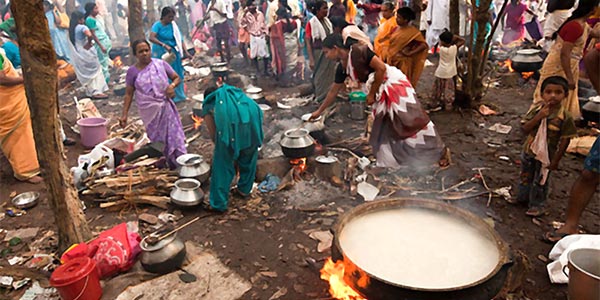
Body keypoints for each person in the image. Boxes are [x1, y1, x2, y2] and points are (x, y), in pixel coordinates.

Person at [310, 34, 448, 168]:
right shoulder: (342, 68)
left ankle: (438, 151)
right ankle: (390, 162)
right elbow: (333, 91)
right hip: (378, 93)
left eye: (327, 52)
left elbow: (381, 68)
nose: (327, 56)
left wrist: (371, 94)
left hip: (393, 85)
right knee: (385, 127)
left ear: (335, 48)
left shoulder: (359, 51)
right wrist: (319, 112)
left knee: (411, 121)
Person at [515, 76, 577, 217]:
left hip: (547, 154)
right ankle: (522, 198)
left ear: (565, 95)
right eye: (548, 92)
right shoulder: (537, 110)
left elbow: (565, 140)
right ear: (542, 94)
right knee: (525, 175)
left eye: (558, 92)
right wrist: (539, 117)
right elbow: (524, 128)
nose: (553, 95)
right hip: (529, 150)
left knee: (541, 180)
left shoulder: (564, 117)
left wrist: (556, 160)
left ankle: (537, 205)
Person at [120, 40, 187, 169]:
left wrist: (172, 86)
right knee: (158, 141)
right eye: (141, 52)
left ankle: (180, 162)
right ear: (135, 55)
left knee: (174, 137)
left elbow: (176, 77)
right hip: (150, 113)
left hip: (166, 108)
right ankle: (164, 163)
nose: (145, 54)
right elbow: (129, 94)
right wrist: (124, 115)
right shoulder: (132, 72)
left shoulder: (160, 64)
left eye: (147, 50)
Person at [532, 0, 600, 120]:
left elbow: (594, 33)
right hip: (559, 65)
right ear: (593, 9)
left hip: (568, 65)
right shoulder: (575, 26)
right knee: (552, 95)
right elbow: (564, 54)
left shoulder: (583, 25)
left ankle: (558, 124)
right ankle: (539, 123)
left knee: (562, 97)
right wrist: (569, 77)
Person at [200, 84, 264, 212]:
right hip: (252, 128)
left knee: (222, 166)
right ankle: (244, 189)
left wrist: (223, 148)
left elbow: (213, 133)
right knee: (249, 158)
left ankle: (218, 204)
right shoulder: (234, 95)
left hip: (232, 130)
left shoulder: (209, 104)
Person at [0, 51, 43, 184]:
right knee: (18, 135)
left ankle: (33, 163)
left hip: (12, 98)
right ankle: (25, 171)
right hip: (7, 101)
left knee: (26, 131)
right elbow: (2, 79)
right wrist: (23, 79)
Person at [150, 7, 191, 103]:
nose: (171, 19)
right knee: (164, 74)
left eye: (172, 17)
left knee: (177, 73)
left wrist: (186, 51)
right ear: (163, 17)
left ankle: (179, 95)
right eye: (169, 17)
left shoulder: (173, 26)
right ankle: (167, 96)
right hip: (161, 53)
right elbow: (151, 37)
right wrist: (163, 45)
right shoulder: (157, 25)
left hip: (173, 53)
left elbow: (180, 39)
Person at [68, 11, 109, 99]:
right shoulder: (82, 27)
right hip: (87, 52)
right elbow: (89, 35)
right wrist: (89, 43)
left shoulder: (72, 29)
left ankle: (90, 91)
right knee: (95, 71)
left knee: (88, 72)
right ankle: (96, 91)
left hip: (80, 52)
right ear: (79, 20)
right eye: (82, 19)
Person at [386, 7, 428, 88]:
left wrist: (410, 53)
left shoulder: (413, 32)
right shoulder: (395, 29)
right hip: (391, 60)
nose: (396, 19)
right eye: (396, 17)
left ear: (406, 20)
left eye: (399, 17)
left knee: (401, 84)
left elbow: (423, 45)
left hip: (403, 63)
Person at [306, 0, 335, 102]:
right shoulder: (311, 23)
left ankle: (328, 97)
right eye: (324, 8)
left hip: (329, 52)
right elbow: (308, 41)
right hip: (318, 53)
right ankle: (320, 97)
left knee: (330, 75)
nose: (326, 10)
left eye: (327, 8)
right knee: (320, 75)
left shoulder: (327, 22)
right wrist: (311, 58)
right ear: (317, 10)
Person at [433, 30, 464, 110]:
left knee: (438, 89)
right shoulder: (453, 49)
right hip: (449, 74)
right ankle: (448, 105)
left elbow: (440, 45)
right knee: (448, 90)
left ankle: (436, 102)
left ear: (442, 42)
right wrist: (454, 36)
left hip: (440, 72)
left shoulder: (442, 49)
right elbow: (462, 40)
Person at [270, 7, 300, 85]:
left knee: (285, 61)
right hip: (293, 44)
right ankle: (292, 78)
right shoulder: (294, 22)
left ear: (279, 15)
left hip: (284, 45)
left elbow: (275, 36)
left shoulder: (278, 24)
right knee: (292, 61)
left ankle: (286, 80)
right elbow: (296, 35)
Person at [84, 2, 111, 84]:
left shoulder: (96, 18)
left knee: (105, 61)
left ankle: (106, 80)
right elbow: (93, 35)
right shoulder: (89, 20)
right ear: (90, 10)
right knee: (103, 63)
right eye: (95, 8)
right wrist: (101, 45)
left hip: (104, 40)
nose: (97, 10)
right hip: (100, 42)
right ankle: (105, 82)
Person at [241, 0, 269, 74]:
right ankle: (257, 70)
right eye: (251, 6)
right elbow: (243, 24)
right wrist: (248, 30)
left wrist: (266, 33)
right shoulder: (247, 15)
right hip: (253, 35)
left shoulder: (260, 14)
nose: (252, 7)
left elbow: (264, 24)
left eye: (253, 5)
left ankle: (266, 70)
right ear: (248, 7)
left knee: (264, 53)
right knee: (253, 54)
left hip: (261, 35)